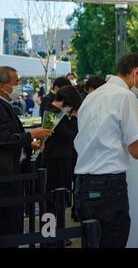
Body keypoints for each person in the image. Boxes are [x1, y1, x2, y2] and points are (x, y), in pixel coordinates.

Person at [74, 53, 138, 248]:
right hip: (108, 186)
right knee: (112, 241)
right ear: (137, 72)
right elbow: (137, 150)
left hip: (83, 183)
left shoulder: (92, 96)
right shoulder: (125, 96)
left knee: (92, 242)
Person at [0, 66, 52, 238]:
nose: (19, 86)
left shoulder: (6, 105)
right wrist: (31, 135)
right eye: (16, 82)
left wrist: (28, 145)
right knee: (9, 225)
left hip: (13, 174)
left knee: (14, 222)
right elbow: (5, 139)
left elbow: (12, 139)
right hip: (6, 178)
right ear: (2, 85)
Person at [41, 85, 82, 215]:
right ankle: (54, 232)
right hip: (56, 162)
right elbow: (68, 136)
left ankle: (55, 231)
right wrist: (75, 118)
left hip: (56, 159)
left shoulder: (52, 110)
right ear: (67, 101)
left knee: (56, 200)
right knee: (56, 199)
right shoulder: (54, 113)